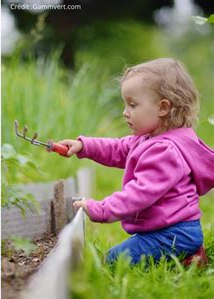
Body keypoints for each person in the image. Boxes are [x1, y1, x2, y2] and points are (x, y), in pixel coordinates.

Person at [56, 58, 214, 265]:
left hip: (174, 234)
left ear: (162, 108)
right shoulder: (150, 139)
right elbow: (118, 148)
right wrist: (84, 146)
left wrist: (102, 209)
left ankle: (187, 255)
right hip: (167, 230)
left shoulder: (165, 151)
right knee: (122, 255)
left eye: (132, 104)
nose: (125, 112)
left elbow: (140, 194)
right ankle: (188, 259)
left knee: (114, 260)